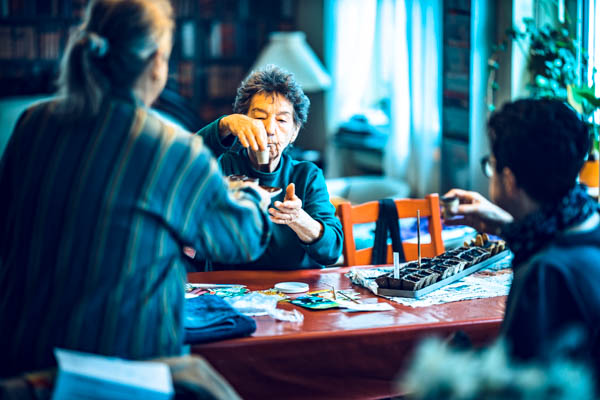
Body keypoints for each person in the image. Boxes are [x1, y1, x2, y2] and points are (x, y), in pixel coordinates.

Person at [0, 0, 271, 377]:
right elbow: (241, 239)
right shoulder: (171, 149)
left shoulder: (34, 122)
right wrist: (253, 195)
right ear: (158, 61)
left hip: (22, 363)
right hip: (122, 373)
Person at [444, 99, 600, 379]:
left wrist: (458, 357)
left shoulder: (544, 273)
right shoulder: (588, 224)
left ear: (510, 180)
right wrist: (508, 225)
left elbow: (519, 381)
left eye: (491, 165)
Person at [196, 65, 343, 270]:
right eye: (259, 117)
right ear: (242, 121)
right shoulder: (222, 165)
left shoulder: (306, 176)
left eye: (281, 120)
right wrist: (223, 125)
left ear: (294, 132)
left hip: (293, 287)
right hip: (229, 285)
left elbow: (332, 250)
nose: (269, 129)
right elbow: (181, 163)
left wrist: (298, 219)